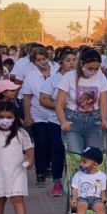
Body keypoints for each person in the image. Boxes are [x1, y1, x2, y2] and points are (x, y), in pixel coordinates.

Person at [55, 48, 107, 154]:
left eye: (96, 69)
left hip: (94, 122)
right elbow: (59, 104)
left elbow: (103, 103)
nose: (93, 71)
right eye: (90, 68)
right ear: (82, 64)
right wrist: (63, 122)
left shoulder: (101, 77)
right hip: (73, 122)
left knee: (92, 157)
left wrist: (104, 120)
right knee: (75, 157)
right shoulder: (69, 77)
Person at [39, 47, 76, 197]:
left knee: (75, 152)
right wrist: (59, 105)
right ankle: (57, 182)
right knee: (58, 151)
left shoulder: (78, 78)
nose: (72, 63)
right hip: (56, 122)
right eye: (68, 60)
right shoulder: (53, 79)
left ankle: (75, 182)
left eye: (74, 60)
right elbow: (43, 99)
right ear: (61, 62)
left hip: (76, 121)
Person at [20, 47, 53, 188]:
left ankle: (48, 165)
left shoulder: (56, 72)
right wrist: (27, 116)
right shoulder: (31, 76)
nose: (41, 62)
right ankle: (40, 172)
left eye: (43, 59)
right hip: (38, 115)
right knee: (41, 143)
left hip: (55, 115)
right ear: (34, 62)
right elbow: (26, 98)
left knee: (52, 143)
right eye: (38, 60)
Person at [71, 146, 107, 214]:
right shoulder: (78, 175)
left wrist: (103, 198)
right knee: (81, 207)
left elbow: (102, 190)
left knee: (100, 209)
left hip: (96, 198)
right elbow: (74, 188)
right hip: (82, 198)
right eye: (81, 161)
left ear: (94, 164)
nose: (81, 164)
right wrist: (74, 198)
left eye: (84, 162)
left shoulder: (101, 176)